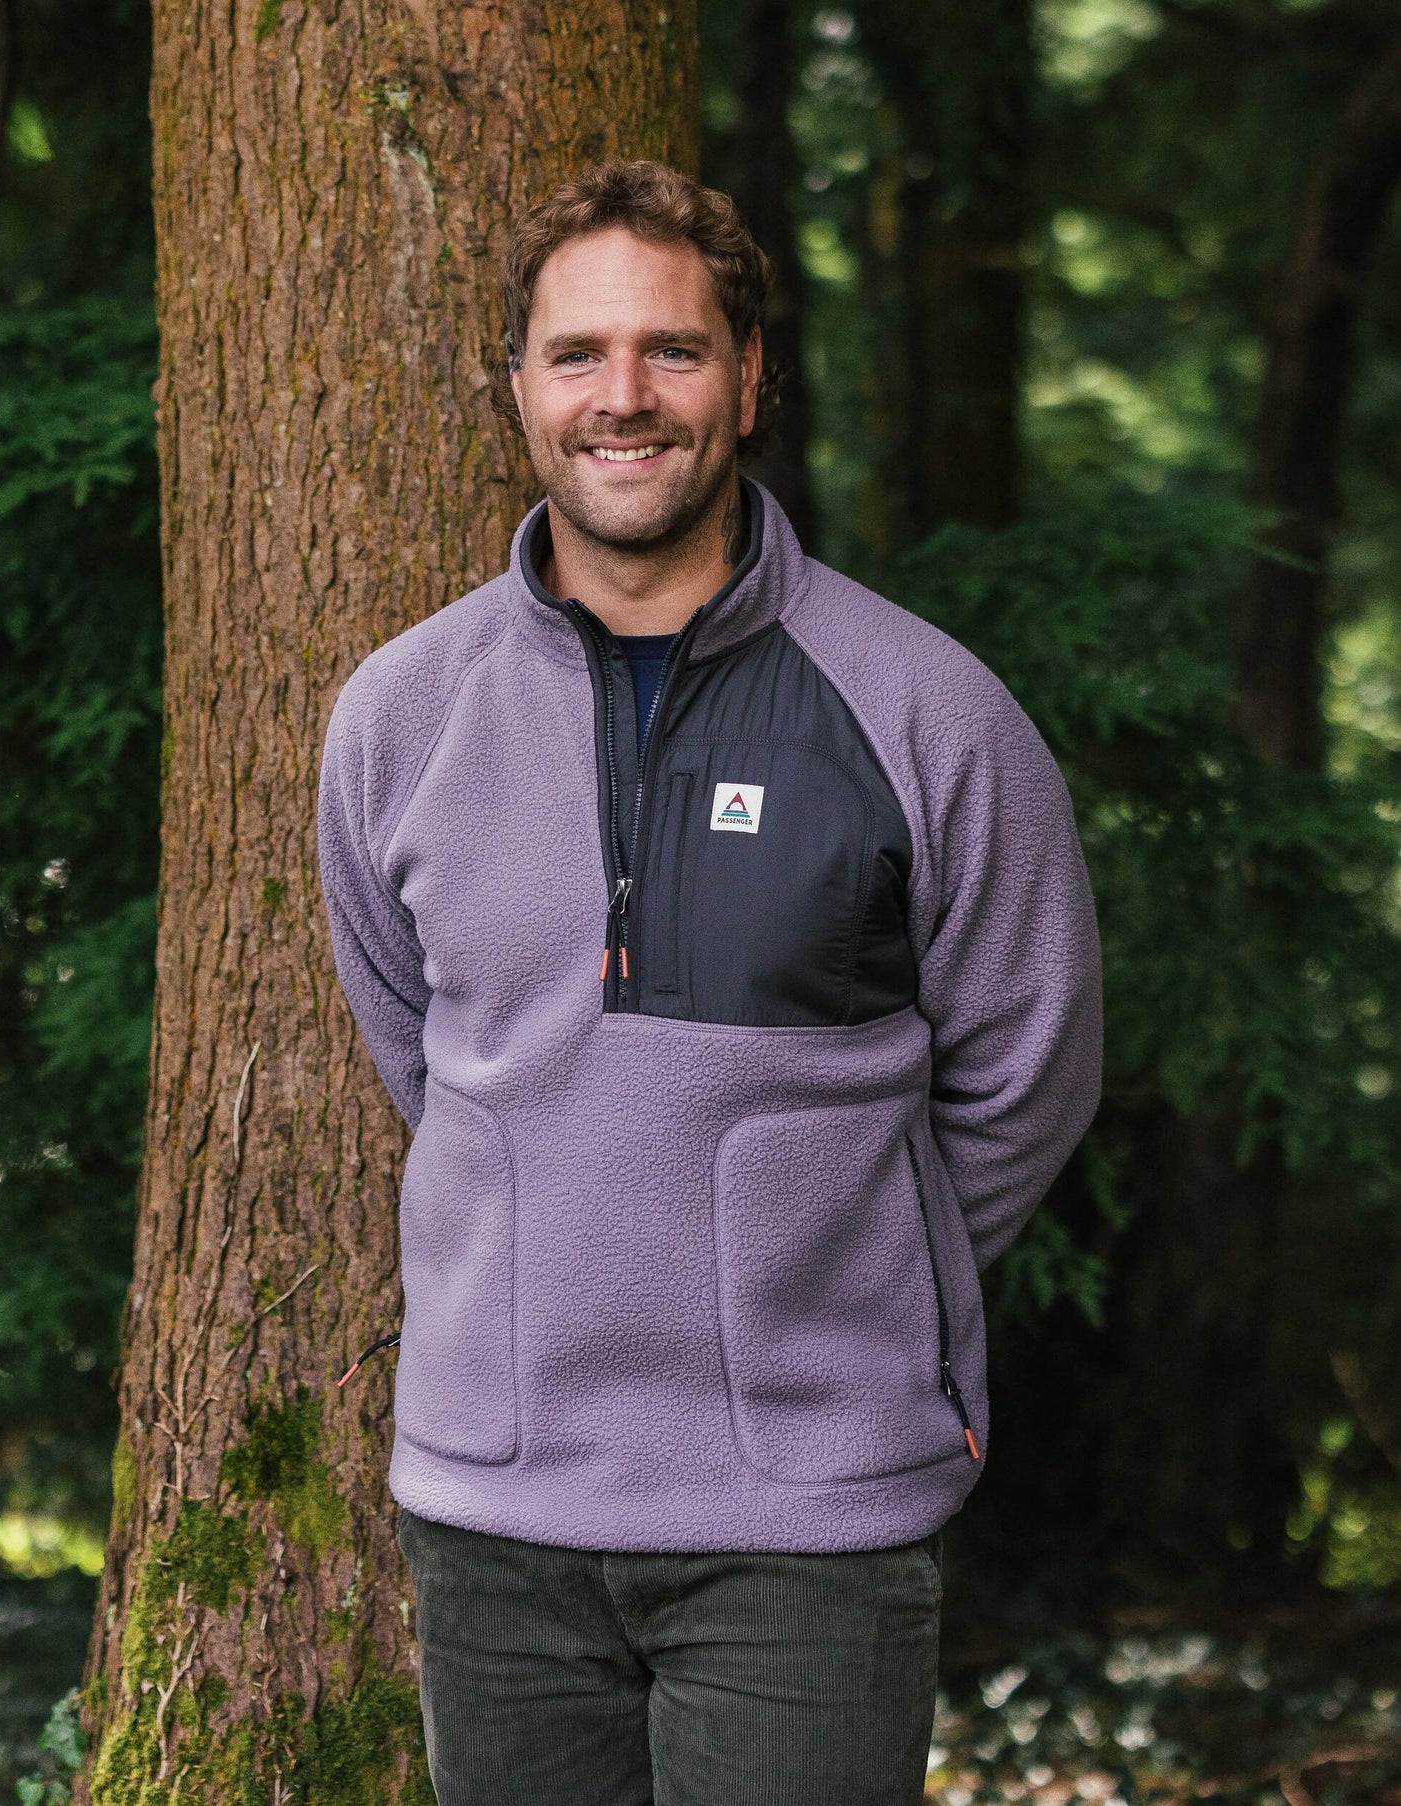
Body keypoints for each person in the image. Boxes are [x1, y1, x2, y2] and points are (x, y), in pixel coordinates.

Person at [316, 157, 1103, 1806]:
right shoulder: (400, 716)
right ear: (518, 390)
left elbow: (1025, 1071)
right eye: (577, 354)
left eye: (670, 349)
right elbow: (421, 1046)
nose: (623, 396)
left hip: (808, 1523)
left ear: (747, 377)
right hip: (496, 1517)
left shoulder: (926, 713)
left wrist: (838, 1280)